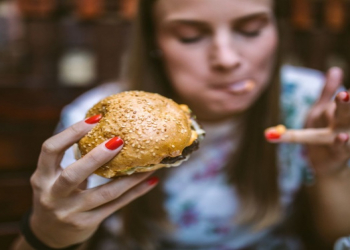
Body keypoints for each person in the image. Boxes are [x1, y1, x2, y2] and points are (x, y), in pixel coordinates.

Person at [12, 0, 350, 249]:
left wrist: (331, 172)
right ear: (155, 42)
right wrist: (49, 234)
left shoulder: (312, 106)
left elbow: (335, 239)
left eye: (251, 30)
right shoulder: (94, 124)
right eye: (190, 36)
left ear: (277, 30)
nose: (228, 59)